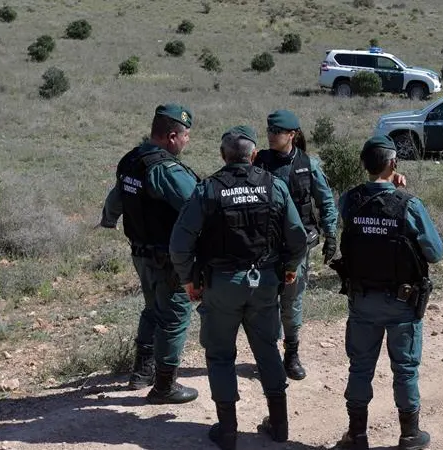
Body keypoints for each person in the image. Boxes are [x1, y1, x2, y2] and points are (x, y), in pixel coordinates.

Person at [170, 126, 308, 449]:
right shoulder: (274, 186)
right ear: (255, 155)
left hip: (221, 286)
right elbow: (298, 238)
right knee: (267, 350)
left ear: (223, 156)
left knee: (219, 355)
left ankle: (228, 431)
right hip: (264, 282)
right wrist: (289, 270)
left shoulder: (208, 189)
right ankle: (280, 424)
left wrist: (189, 279)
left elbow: (179, 243)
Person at [332, 135, 443, 450]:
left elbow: (358, 219)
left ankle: (356, 436)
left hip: (362, 300)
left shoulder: (349, 201)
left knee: (360, 367)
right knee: (405, 368)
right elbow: (435, 252)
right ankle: (410, 435)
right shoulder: (409, 204)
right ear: (393, 164)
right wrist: (398, 191)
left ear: (365, 165)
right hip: (402, 302)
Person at [97, 103, 199, 404]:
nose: (187, 140)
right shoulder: (164, 170)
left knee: (153, 308)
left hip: (140, 253)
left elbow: (117, 196)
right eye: (185, 135)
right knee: (176, 314)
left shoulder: (132, 159)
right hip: (166, 258)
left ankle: (142, 371)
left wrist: (108, 219)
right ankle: (165, 387)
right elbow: (197, 205)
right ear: (171, 136)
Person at [253, 109, 338, 381]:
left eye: (276, 132)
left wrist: (331, 234)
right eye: (269, 131)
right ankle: (268, 354)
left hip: (296, 248)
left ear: (292, 135)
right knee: (264, 301)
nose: (271, 136)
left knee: (291, 302)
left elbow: (325, 202)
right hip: (264, 246)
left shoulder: (307, 164)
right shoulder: (259, 161)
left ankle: (291, 353)